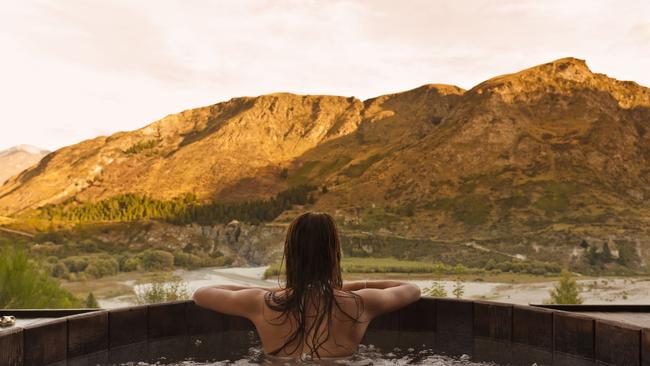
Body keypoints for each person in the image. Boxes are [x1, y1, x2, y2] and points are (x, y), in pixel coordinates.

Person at [193, 211, 421, 362]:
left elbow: (202, 294)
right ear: (334, 255)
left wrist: (275, 293)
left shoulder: (261, 303)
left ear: (291, 254)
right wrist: (348, 288)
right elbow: (411, 288)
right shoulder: (361, 303)